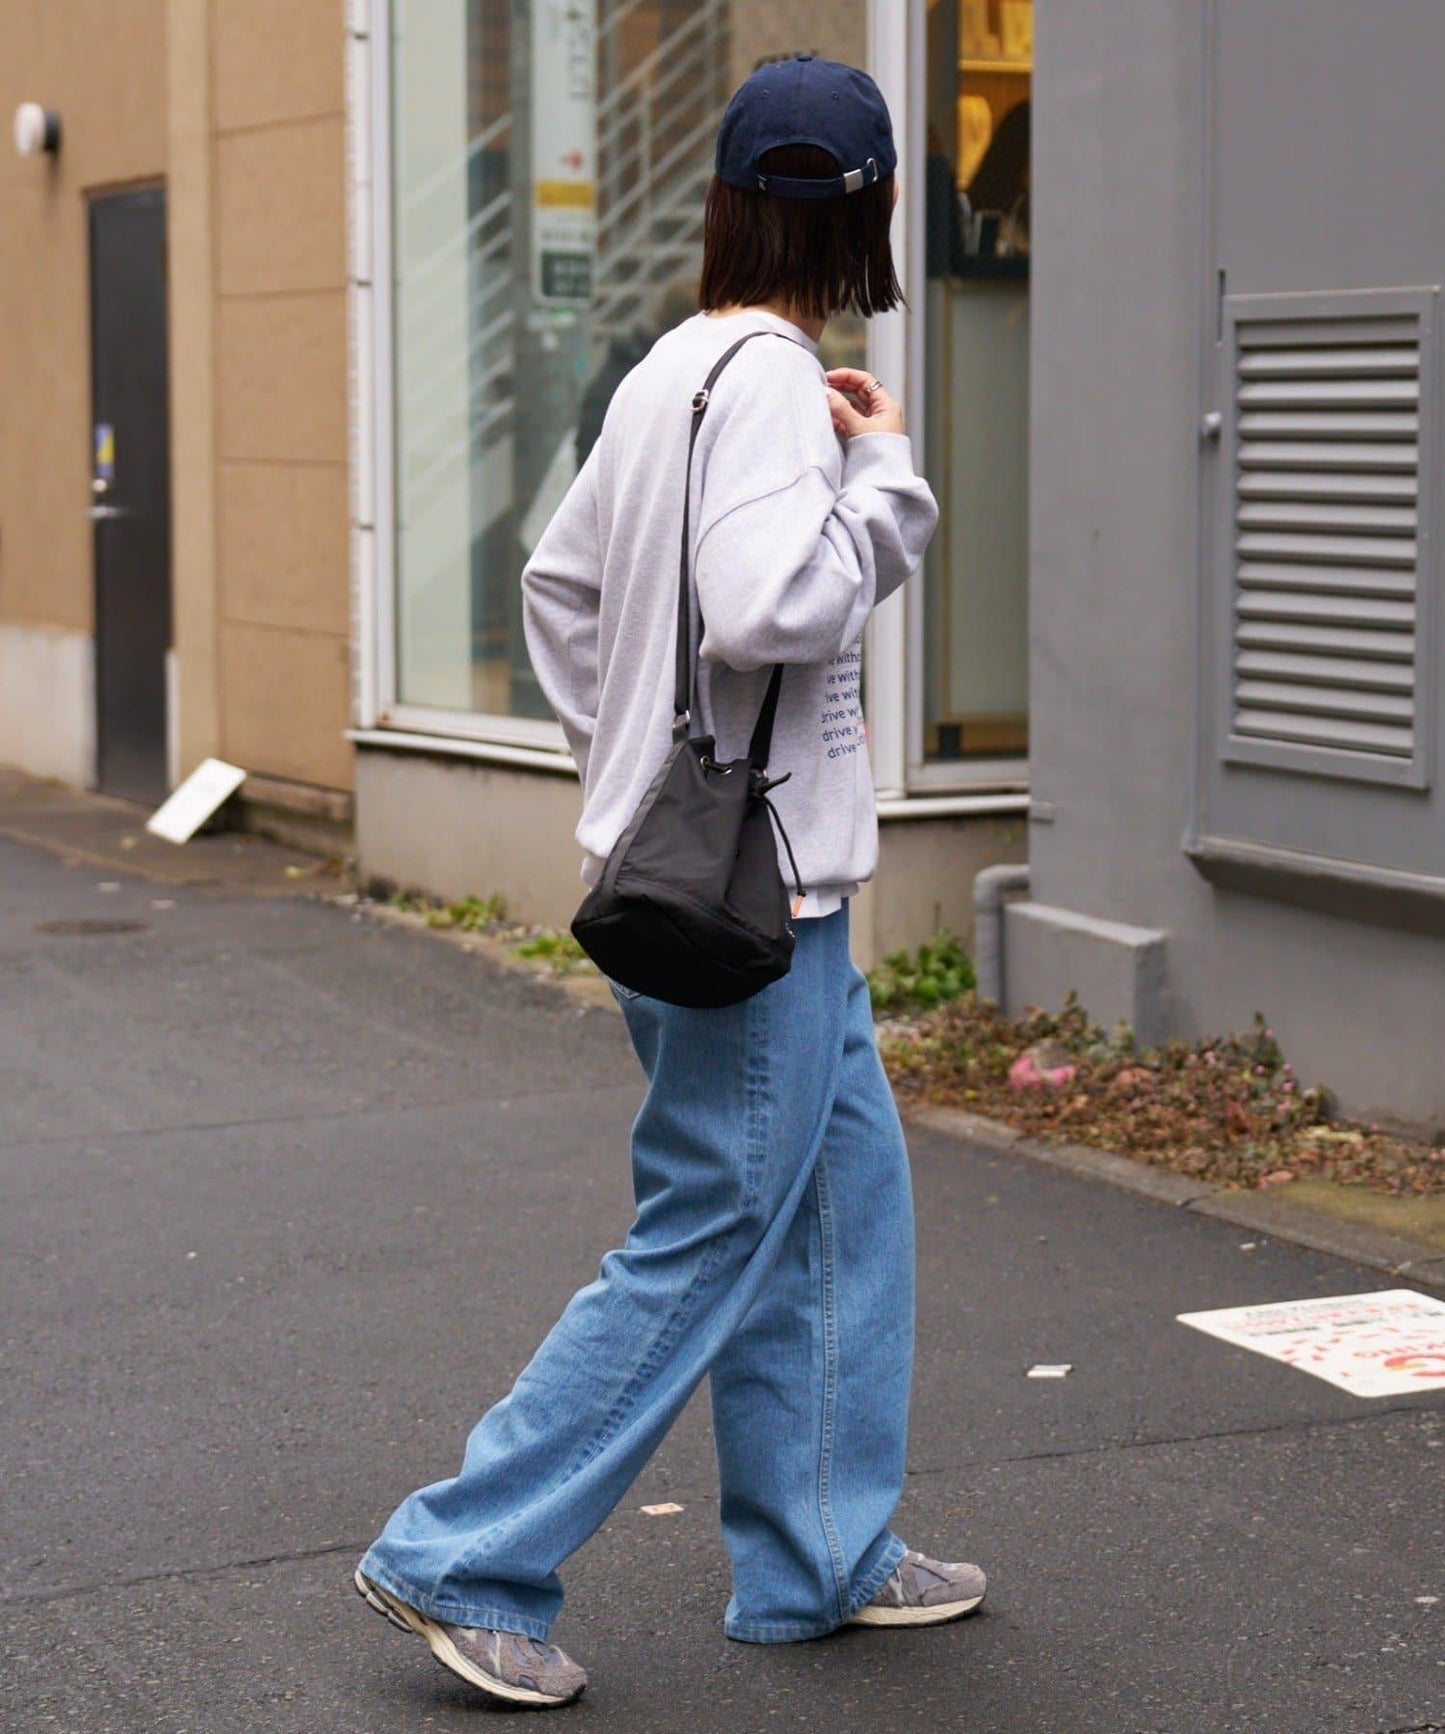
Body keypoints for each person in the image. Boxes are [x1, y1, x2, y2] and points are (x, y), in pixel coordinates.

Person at [353, 54, 986, 1710]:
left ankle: (820, 1553)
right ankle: (463, 1550)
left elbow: (556, 588)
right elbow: (769, 602)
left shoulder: (665, 368)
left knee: (841, 1213)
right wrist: (887, 480)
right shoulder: (771, 382)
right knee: (708, 1228)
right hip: (754, 906)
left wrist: (634, 767)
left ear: (722, 201)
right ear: (866, 214)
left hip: (723, 885)